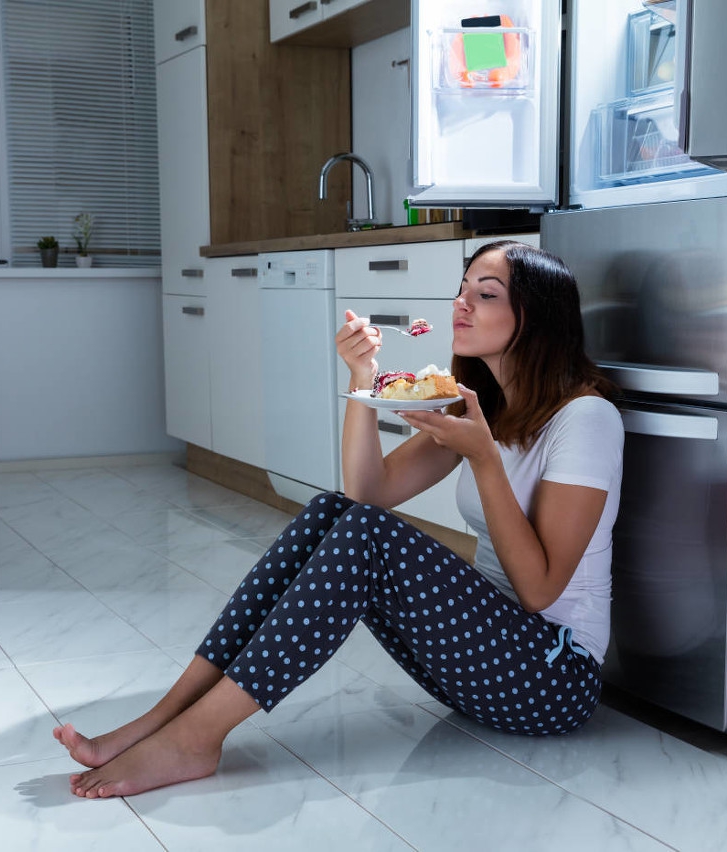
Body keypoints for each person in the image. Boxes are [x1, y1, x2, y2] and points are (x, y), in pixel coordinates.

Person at [52, 240, 624, 798]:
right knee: (334, 510)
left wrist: (483, 458)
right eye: (461, 288)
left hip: (552, 679)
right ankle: (162, 720)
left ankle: (196, 738)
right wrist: (361, 376)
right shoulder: (482, 406)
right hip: (483, 662)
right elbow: (366, 494)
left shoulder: (585, 419)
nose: (462, 304)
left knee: (367, 534)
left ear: (538, 316)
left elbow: (540, 592)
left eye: (487, 293)